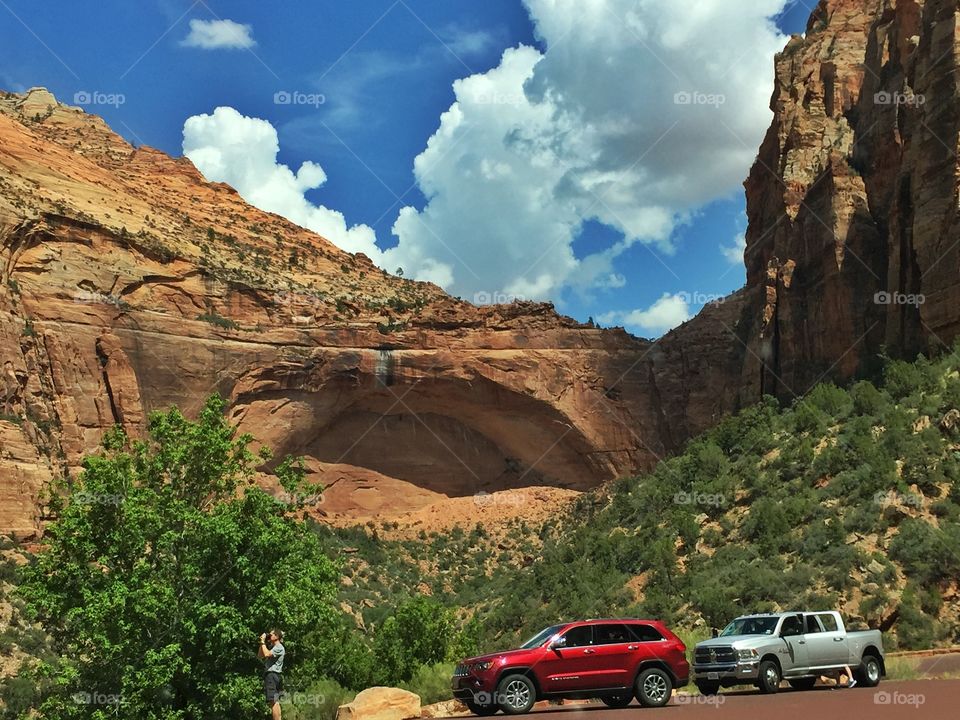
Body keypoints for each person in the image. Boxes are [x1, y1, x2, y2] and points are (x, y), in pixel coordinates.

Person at [259, 629, 286, 719]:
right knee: (274, 701)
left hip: (272, 675)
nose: (269, 636)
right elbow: (260, 655)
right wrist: (262, 643)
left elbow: (266, 654)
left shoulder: (279, 647)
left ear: (276, 636)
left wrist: (263, 642)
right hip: (274, 676)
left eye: (271, 635)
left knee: (273, 701)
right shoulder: (273, 648)